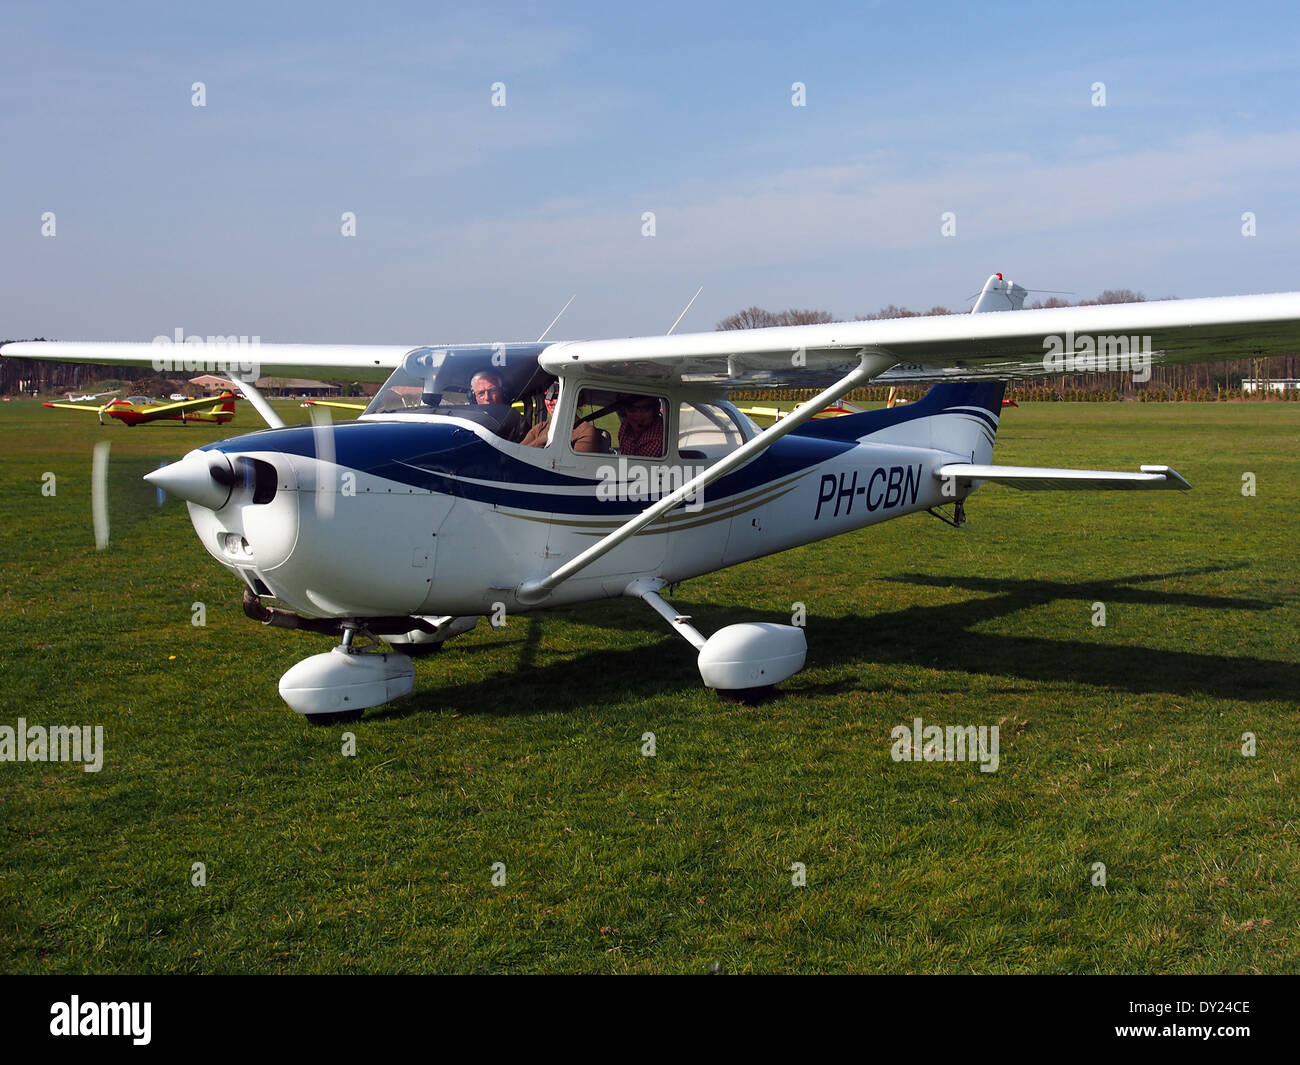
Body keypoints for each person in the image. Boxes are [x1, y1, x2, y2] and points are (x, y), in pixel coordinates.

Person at [521, 382, 601, 451]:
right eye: (546, 395)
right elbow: (519, 453)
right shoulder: (540, 428)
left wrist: (547, 439)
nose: (549, 402)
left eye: (556, 396)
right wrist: (545, 438)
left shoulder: (586, 432)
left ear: (571, 399)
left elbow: (573, 465)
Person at [467, 370, 524, 442]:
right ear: (473, 397)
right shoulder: (467, 422)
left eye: (493, 391)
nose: (487, 397)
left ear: (503, 392)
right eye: (481, 393)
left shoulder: (517, 420)